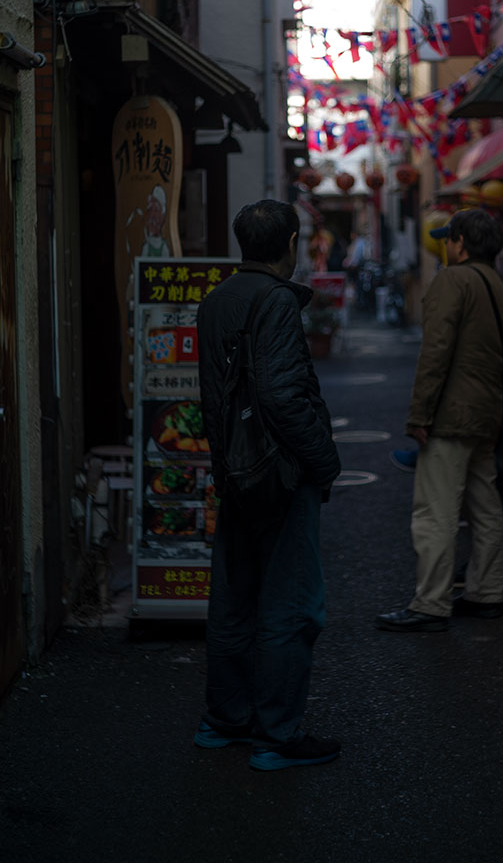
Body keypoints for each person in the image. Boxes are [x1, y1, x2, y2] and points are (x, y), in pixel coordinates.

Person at [195, 199, 342, 770]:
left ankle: (225, 720)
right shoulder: (276, 300)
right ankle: (277, 736)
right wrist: (323, 461)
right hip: (278, 474)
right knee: (289, 604)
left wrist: (222, 465)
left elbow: (212, 400)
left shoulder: (215, 302)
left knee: (234, 601)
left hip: (233, 472)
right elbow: (283, 397)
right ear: (290, 245)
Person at [376, 209, 503, 631]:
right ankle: (487, 591)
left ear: (460, 242)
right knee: (486, 506)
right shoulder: (500, 285)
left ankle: (431, 602)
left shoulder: (451, 281)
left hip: (451, 414)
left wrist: (419, 413)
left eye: (449, 239)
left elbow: (435, 353)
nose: (445, 245)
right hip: (487, 413)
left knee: (436, 510)